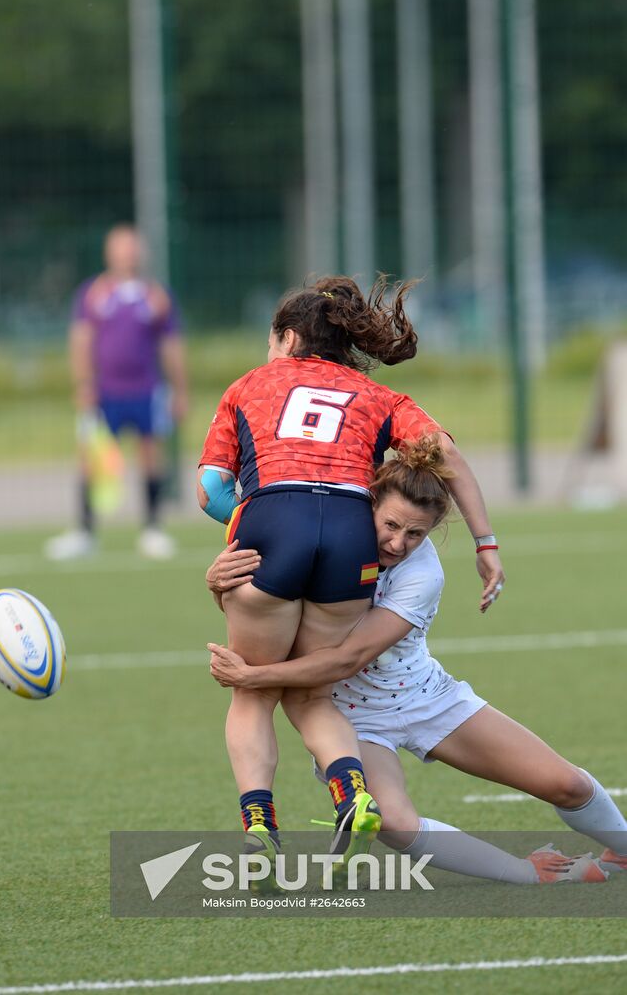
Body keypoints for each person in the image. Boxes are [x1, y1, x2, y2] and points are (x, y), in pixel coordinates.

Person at [208, 436, 627, 885]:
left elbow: (347, 658)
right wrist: (219, 584)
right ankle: (527, 874)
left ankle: (622, 847)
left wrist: (255, 676)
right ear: (367, 504)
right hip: (354, 721)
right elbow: (269, 613)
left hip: (427, 698)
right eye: (389, 525)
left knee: (568, 785)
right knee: (391, 821)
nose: (397, 543)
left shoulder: (423, 574)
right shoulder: (315, 542)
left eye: (415, 534)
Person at [197, 275, 505, 876]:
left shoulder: (248, 386)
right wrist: (485, 543)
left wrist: (246, 527)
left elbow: (210, 489)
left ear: (286, 337)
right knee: (313, 694)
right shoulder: (376, 395)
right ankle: (351, 791)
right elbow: (448, 456)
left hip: (273, 523)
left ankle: (259, 821)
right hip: (349, 534)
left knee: (252, 689)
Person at [45, 224, 189, 561]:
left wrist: (180, 390)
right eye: (120, 247)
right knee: (90, 458)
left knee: (150, 455)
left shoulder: (156, 296)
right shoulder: (94, 293)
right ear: (109, 253)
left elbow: (172, 347)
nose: (127, 254)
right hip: (103, 392)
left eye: (132, 247)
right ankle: (84, 531)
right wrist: (83, 384)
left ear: (141, 253)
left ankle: (153, 529)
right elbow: (81, 341)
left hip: (146, 390)